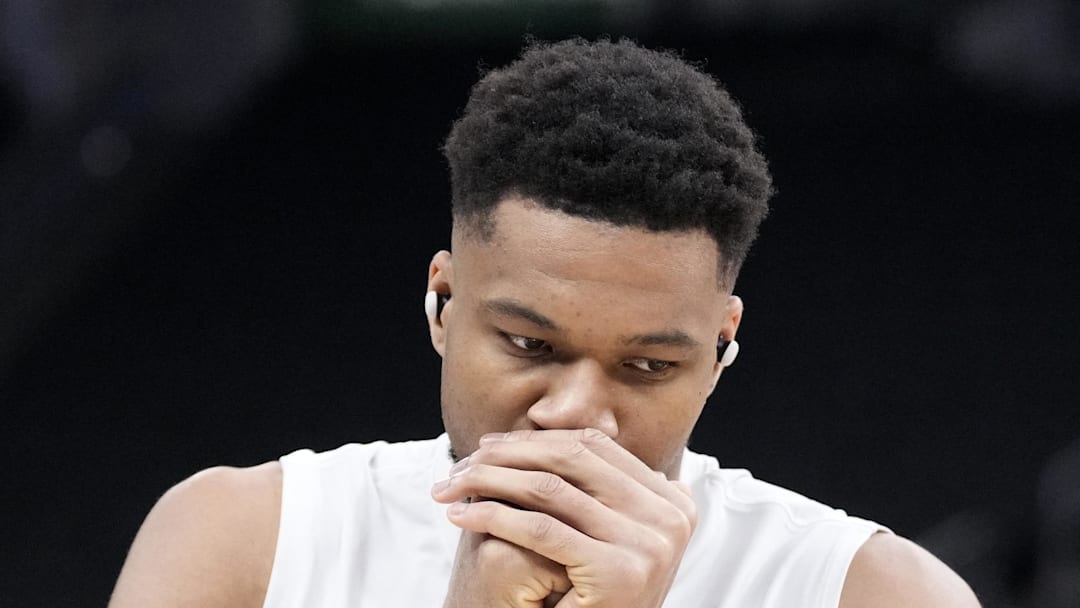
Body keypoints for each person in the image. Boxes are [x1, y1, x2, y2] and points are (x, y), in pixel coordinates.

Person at [108, 38, 980, 607]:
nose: (574, 414)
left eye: (647, 366)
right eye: (531, 345)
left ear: (721, 348)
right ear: (443, 303)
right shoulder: (242, 541)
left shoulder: (874, 592)